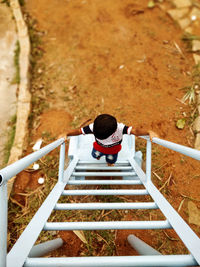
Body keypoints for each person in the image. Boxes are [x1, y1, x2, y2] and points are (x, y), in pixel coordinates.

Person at [65, 114, 158, 166]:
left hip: (113, 151)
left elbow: (135, 131)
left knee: (111, 160)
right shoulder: (93, 127)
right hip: (98, 148)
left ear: (114, 131)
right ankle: (97, 157)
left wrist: (149, 132)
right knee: (95, 155)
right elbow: (78, 131)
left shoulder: (120, 128)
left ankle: (109, 163)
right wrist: (66, 134)